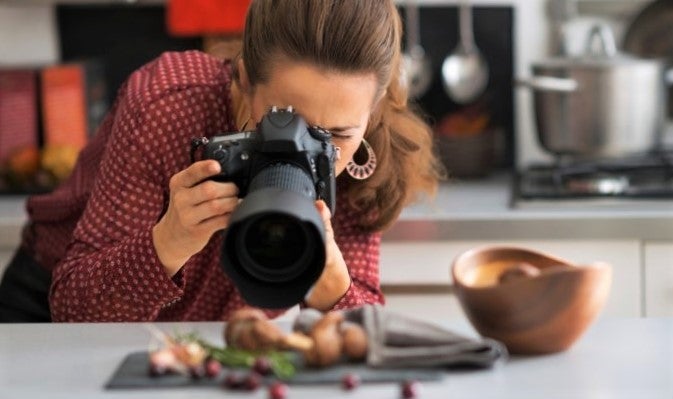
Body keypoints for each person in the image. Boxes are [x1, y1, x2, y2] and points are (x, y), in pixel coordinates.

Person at [0, 0, 443, 322]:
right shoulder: (168, 106)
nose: (307, 147)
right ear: (245, 78)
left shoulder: (367, 159)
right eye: (284, 120)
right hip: (44, 311)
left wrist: (335, 293)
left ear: (374, 107)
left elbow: (368, 344)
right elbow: (75, 312)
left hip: (209, 350)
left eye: (337, 135)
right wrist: (167, 242)